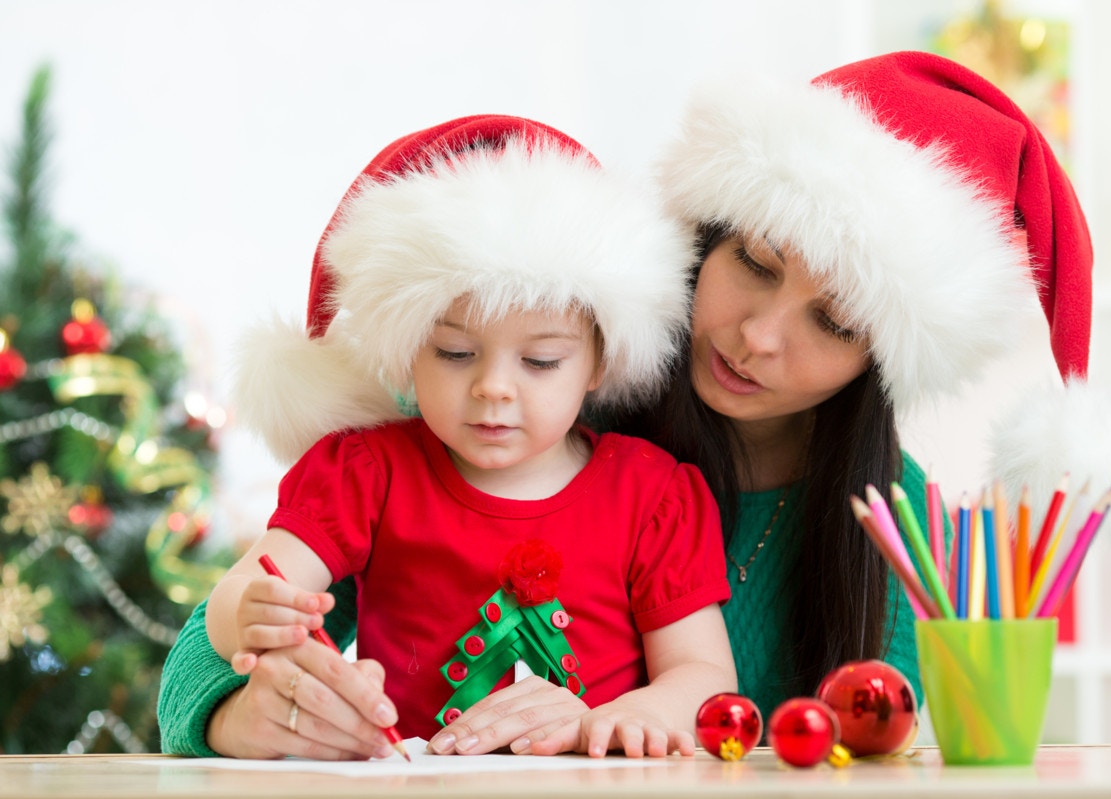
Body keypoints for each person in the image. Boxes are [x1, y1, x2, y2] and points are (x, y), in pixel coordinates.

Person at [161, 52, 1111, 760]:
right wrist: (240, 711)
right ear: (704, 239)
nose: (760, 333)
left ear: (883, 358)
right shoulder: (521, 407)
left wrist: (607, 722)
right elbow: (206, 657)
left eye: (832, 323)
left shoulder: (900, 530)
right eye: (752, 265)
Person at [174, 115, 738, 760]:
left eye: (541, 361)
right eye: (454, 352)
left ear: (601, 364)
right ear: (405, 352)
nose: (494, 388)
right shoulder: (365, 471)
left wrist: (641, 711)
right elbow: (244, 592)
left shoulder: (651, 493)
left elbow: (704, 676)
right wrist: (249, 613)